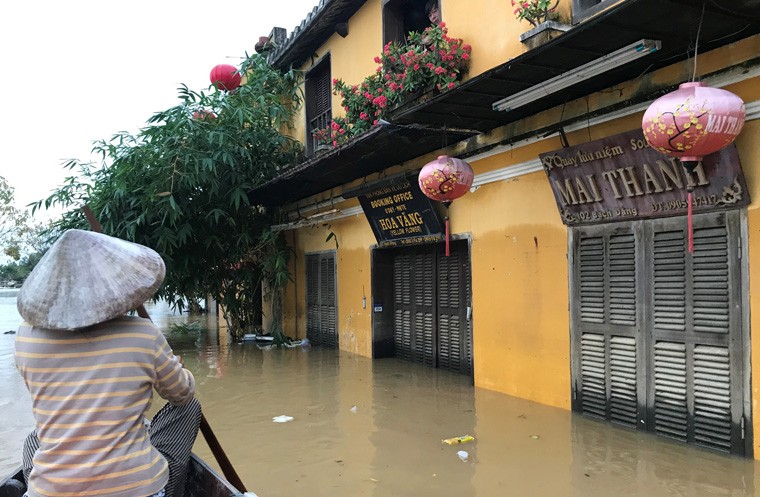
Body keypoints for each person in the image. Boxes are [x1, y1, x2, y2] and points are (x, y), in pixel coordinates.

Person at [15, 229, 201, 497]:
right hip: (137, 490)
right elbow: (182, 395)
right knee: (189, 408)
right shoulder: (143, 334)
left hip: (50, 491)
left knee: (36, 436)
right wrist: (179, 371)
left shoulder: (25, 337)